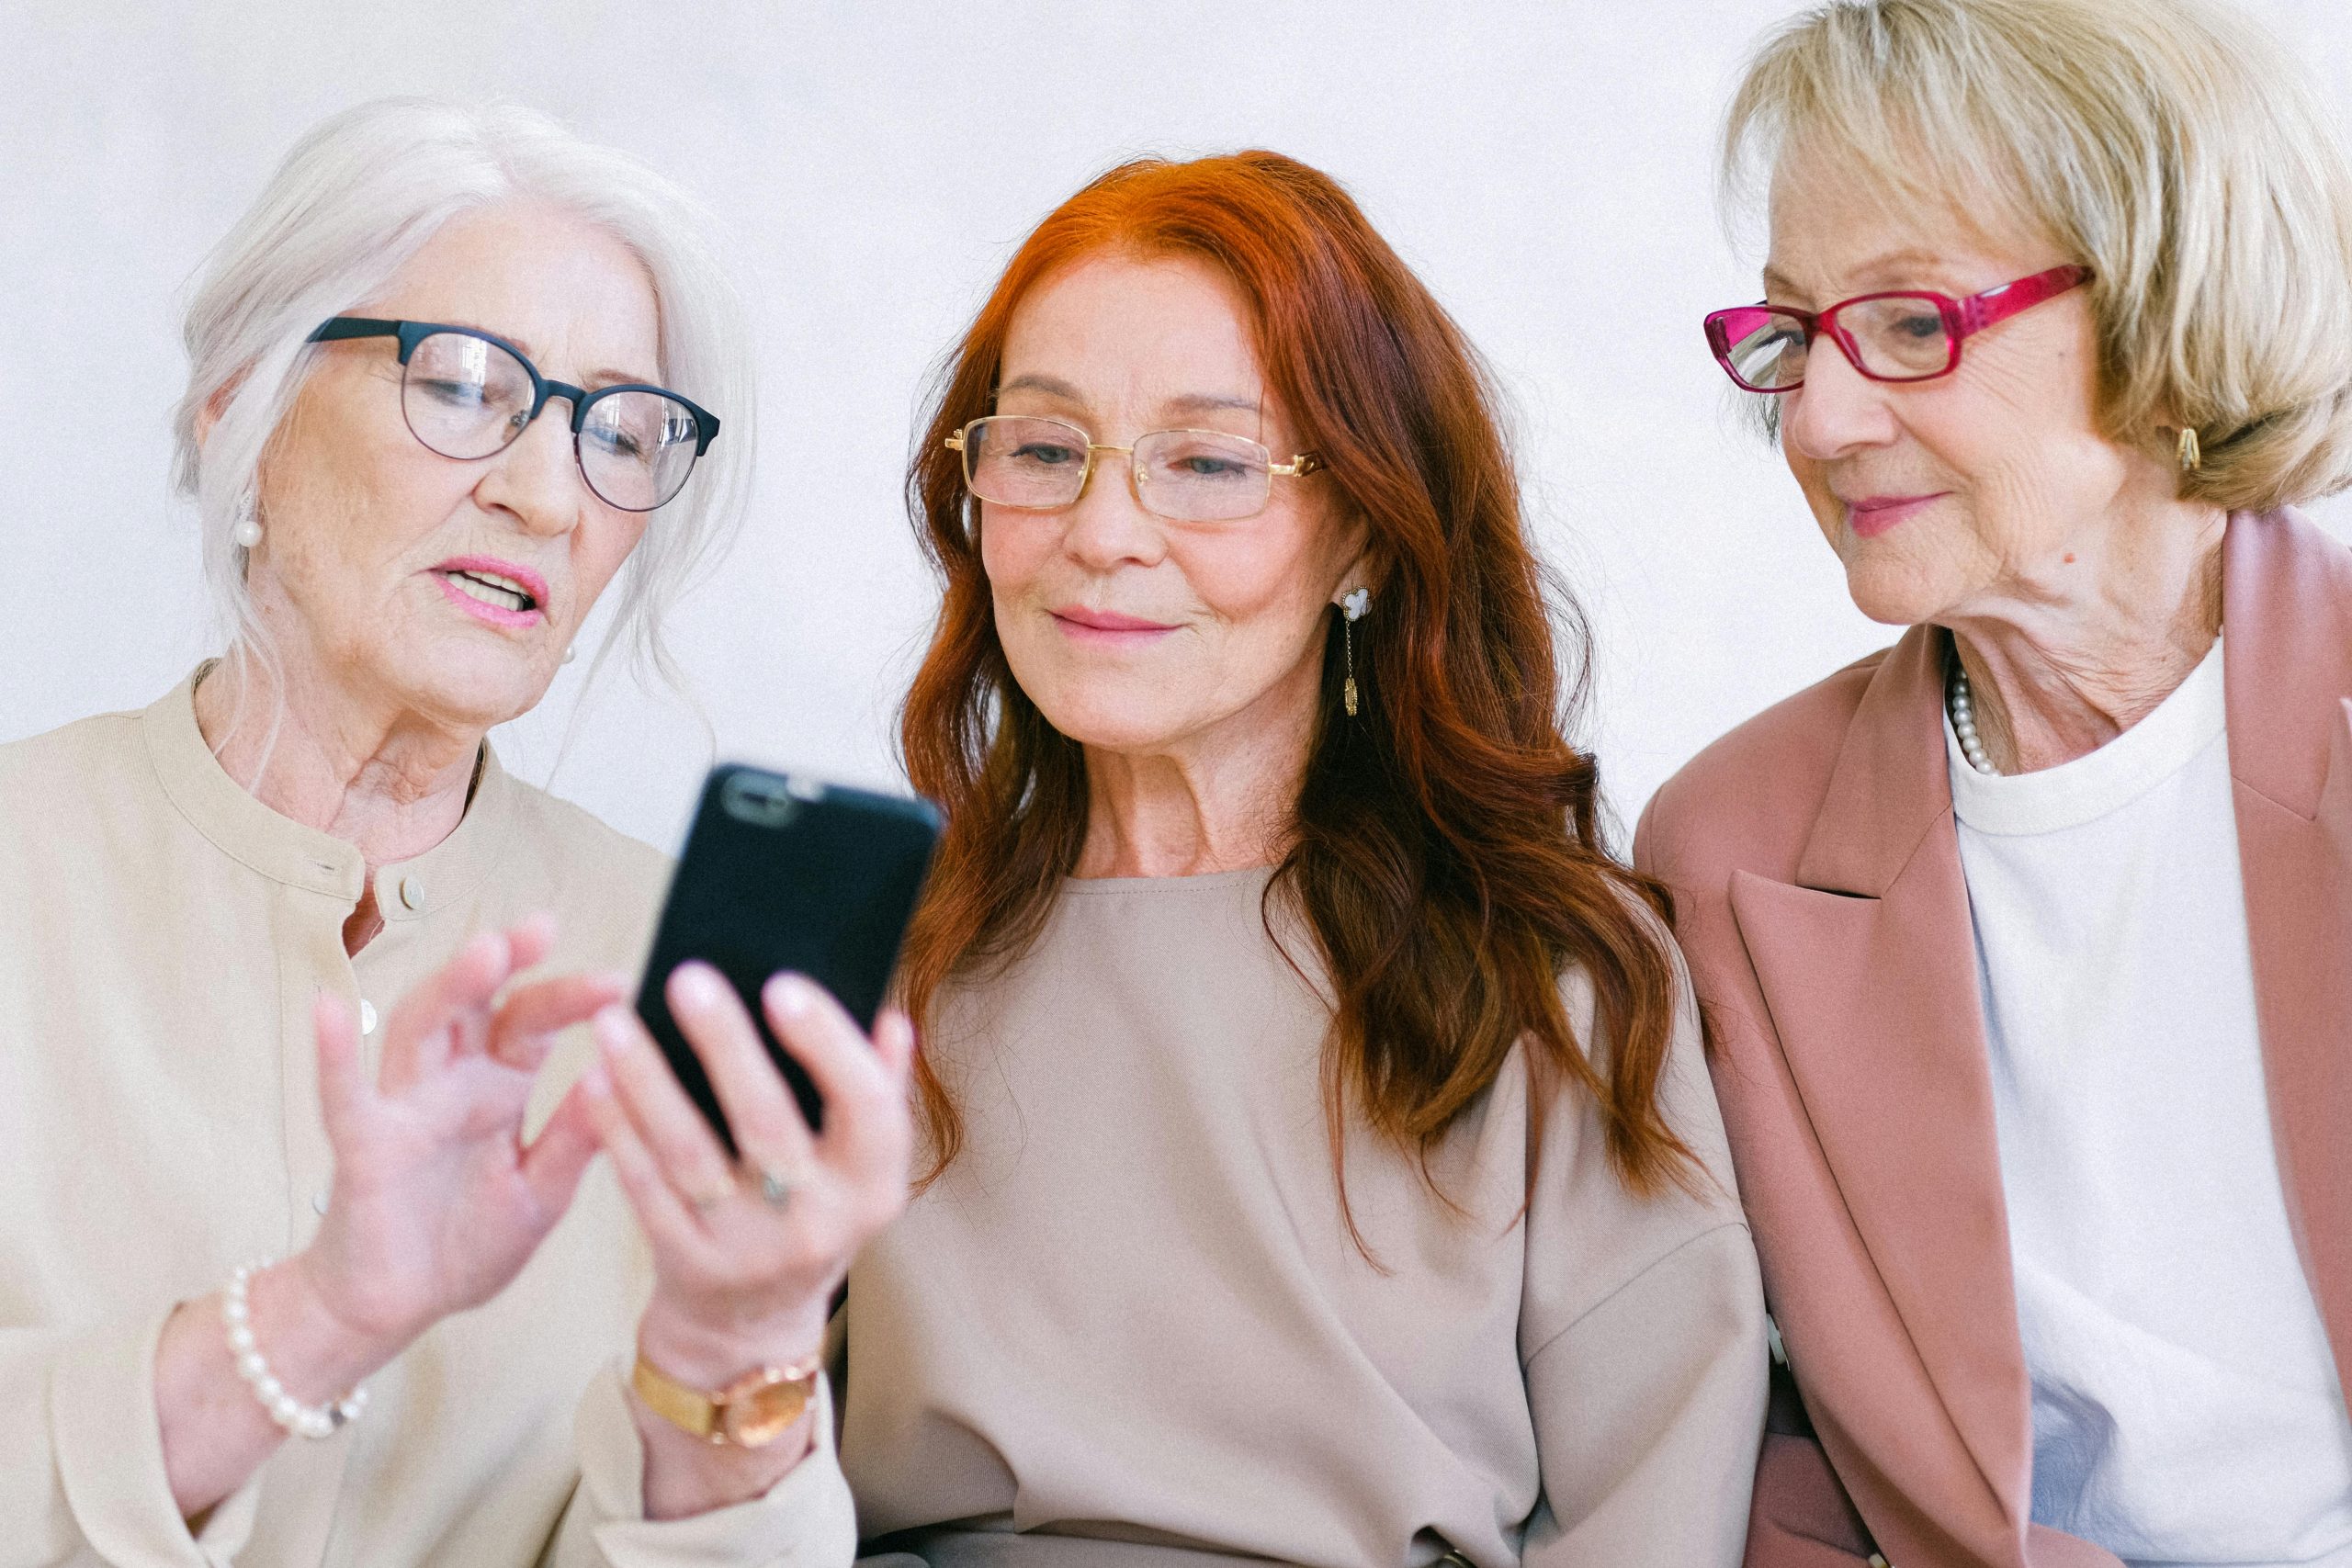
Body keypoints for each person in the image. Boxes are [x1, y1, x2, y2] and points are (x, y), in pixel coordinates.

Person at [813, 150, 1767, 1567]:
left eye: (1207, 463)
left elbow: (1656, 1516)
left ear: (1366, 534)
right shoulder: (863, 961)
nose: (1103, 534)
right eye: (1042, 449)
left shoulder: (1554, 983)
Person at [0, 97, 908, 1565]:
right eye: (466, 385)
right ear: (239, 399)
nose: (547, 493)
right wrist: (314, 1322)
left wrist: (733, 1346)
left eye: (621, 431)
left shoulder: (676, 989)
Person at [1638, 2, 2352, 1563]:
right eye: (1791, 337)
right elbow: (1738, 1426)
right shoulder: (1729, 853)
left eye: (1910, 325)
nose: (1818, 423)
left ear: (2169, 305)